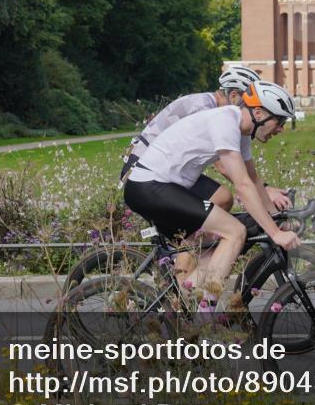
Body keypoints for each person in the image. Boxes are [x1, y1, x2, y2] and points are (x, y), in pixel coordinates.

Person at [124, 81, 301, 290]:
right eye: (280, 121)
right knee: (235, 232)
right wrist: (275, 233)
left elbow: (253, 180)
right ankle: (205, 313)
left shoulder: (241, 131)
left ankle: (185, 299)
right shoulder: (225, 121)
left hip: (163, 188)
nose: (280, 129)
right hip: (150, 186)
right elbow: (243, 186)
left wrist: (275, 219)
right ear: (260, 114)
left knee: (212, 243)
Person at [119, 66, 290, 211]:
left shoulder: (213, 107)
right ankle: (186, 245)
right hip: (145, 173)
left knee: (221, 200)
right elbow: (224, 166)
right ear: (234, 96)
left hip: (163, 170)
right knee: (221, 199)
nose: (249, 109)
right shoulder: (204, 108)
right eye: (247, 103)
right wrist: (263, 191)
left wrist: (259, 188)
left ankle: (194, 242)